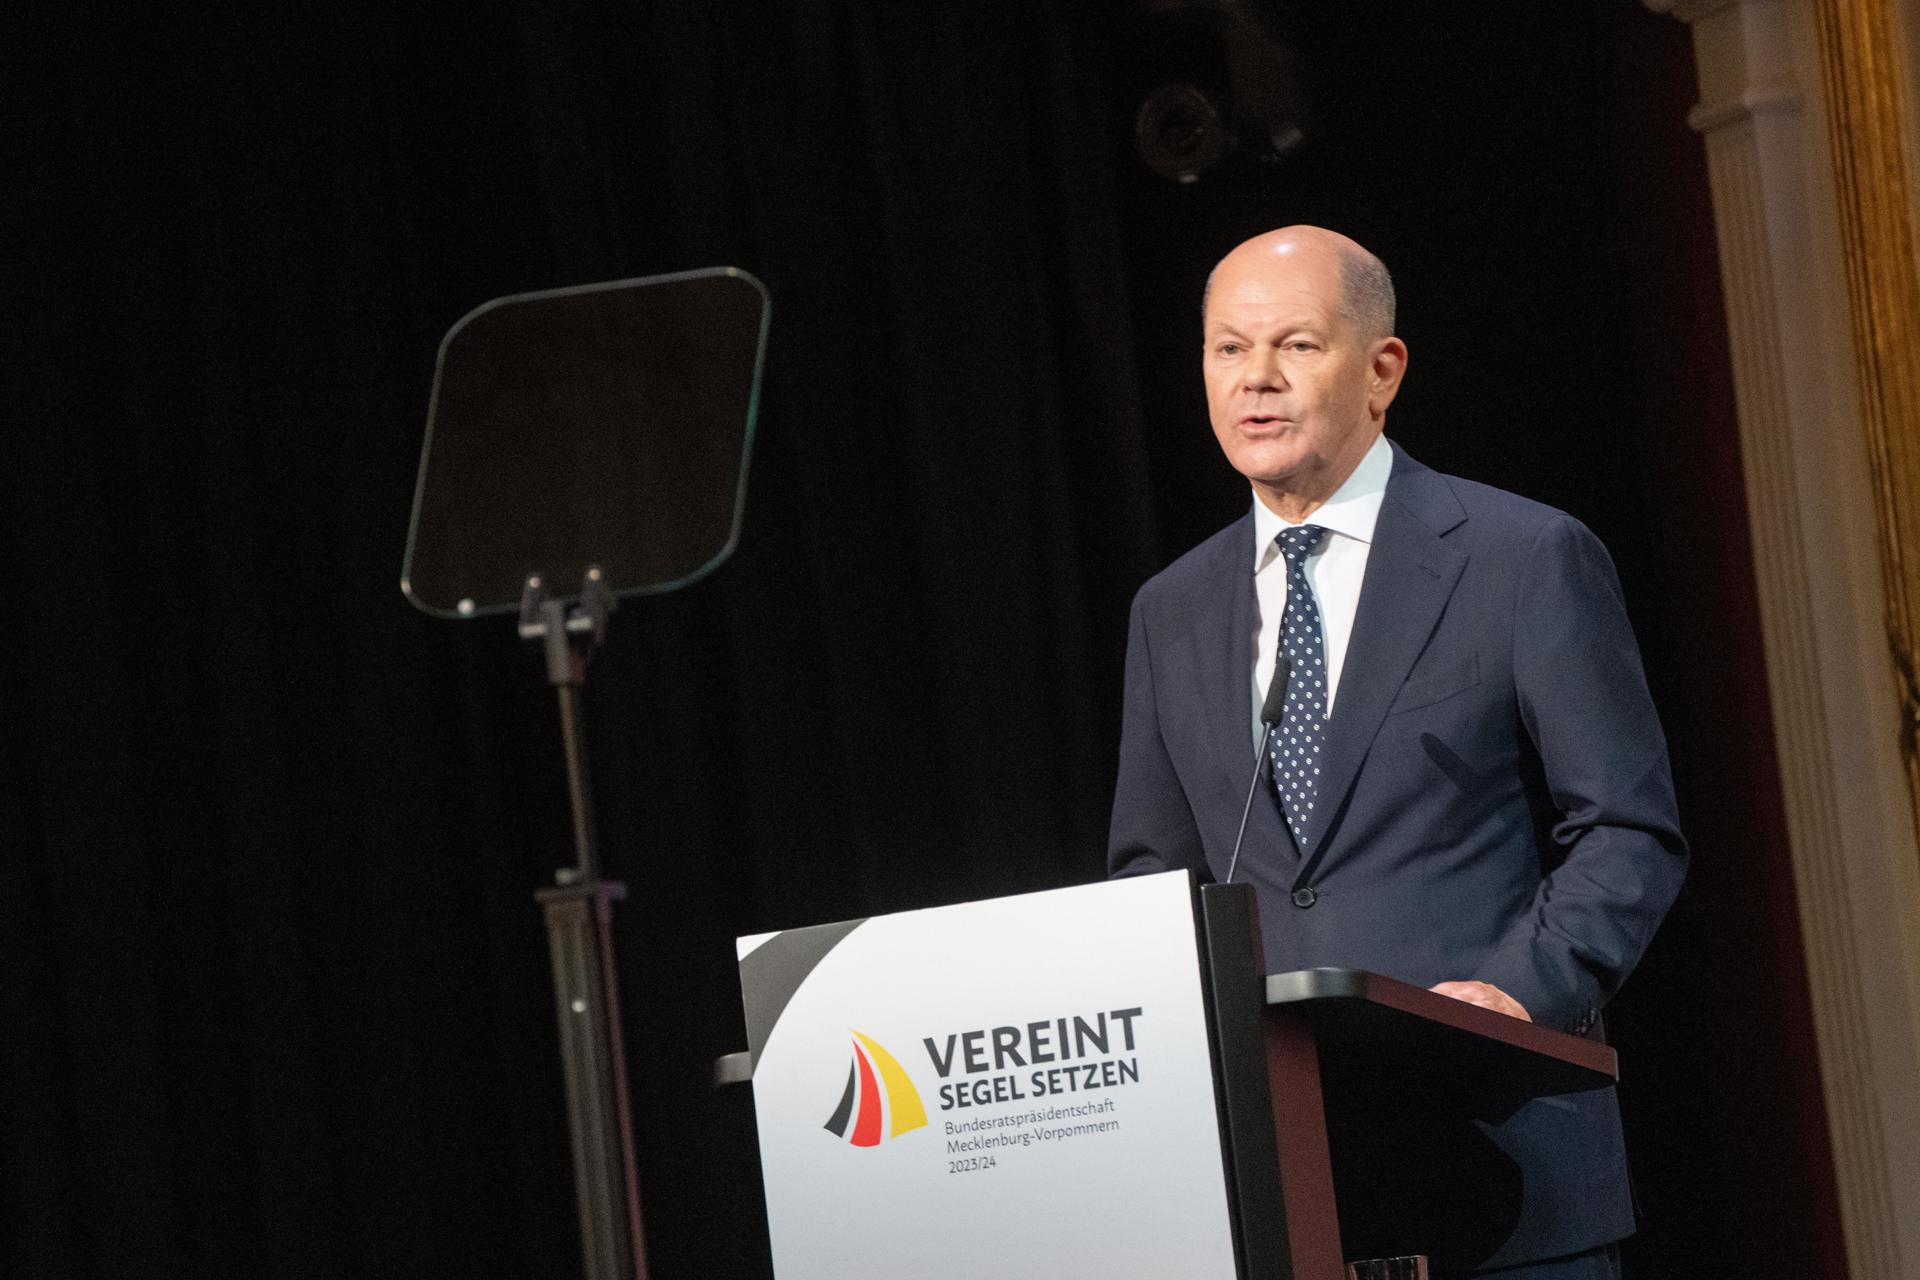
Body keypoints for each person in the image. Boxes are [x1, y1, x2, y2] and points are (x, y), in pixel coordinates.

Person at [1107, 226, 1686, 1279]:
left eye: (1296, 345)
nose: (1257, 381)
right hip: (1284, 1186)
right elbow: (1151, 870)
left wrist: (1516, 989)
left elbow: (1628, 828)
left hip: (1500, 1162)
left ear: (1382, 370)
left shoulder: (1523, 556)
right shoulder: (1171, 609)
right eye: (1227, 350)